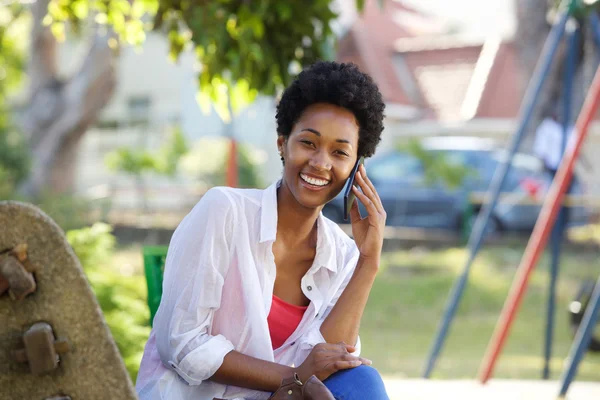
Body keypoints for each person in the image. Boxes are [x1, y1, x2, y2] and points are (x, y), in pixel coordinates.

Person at [135, 61, 390, 400]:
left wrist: (368, 261)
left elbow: (332, 362)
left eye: (340, 152)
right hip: (199, 395)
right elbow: (182, 342)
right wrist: (297, 378)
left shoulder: (342, 254)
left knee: (360, 382)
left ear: (357, 167)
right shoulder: (224, 211)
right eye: (308, 143)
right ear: (282, 143)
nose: (320, 163)